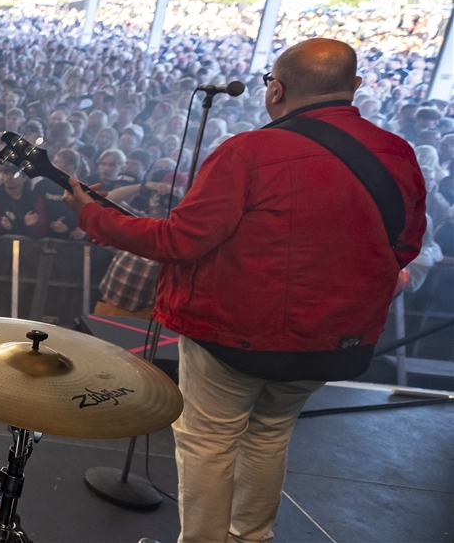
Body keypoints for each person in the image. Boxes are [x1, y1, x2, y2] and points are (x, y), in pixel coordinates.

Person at [66, 38, 427, 543]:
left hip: (235, 335)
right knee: (269, 436)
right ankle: (251, 538)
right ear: (355, 88)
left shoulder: (250, 152)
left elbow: (180, 240)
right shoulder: (398, 153)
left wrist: (91, 214)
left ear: (275, 91)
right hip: (334, 340)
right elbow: (405, 247)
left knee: (209, 441)